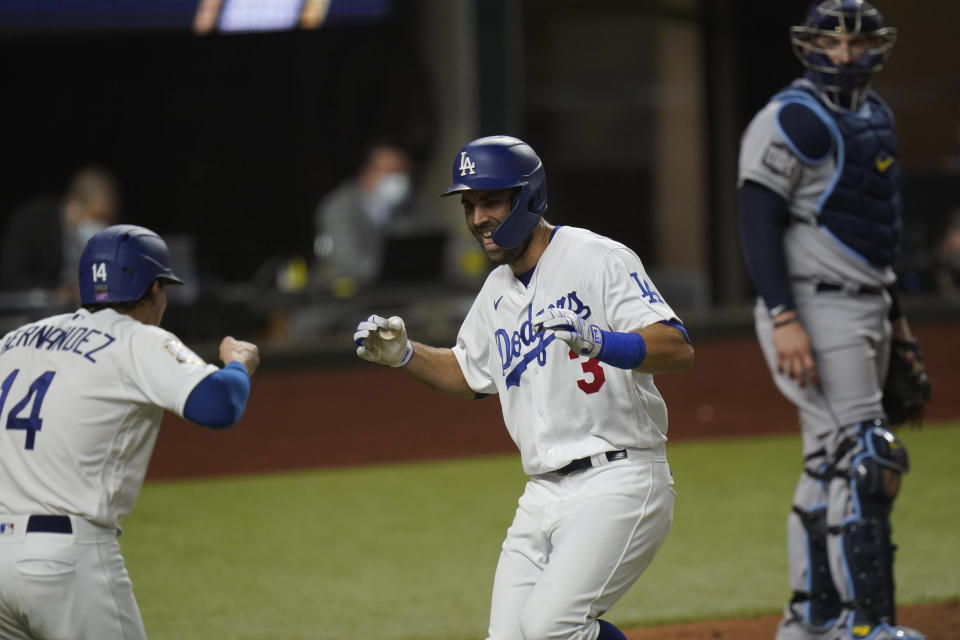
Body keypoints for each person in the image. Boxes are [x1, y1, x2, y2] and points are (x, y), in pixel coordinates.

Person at [353, 135, 694, 640]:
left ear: (528, 197)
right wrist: (405, 355)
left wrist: (602, 342)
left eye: (490, 201)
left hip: (618, 480)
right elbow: (469, 373)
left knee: (549, 629)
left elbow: (676, 346)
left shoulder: (597, 258)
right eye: (469, 206)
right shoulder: (496, 292)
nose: (477, 219)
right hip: (541, 493)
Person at [737, 2, 926, 639]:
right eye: (831, 41)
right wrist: (784, 316)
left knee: (829, 459)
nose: (844, 56)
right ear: (807, 45)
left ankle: (810, 620)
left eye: (858, 42)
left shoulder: (875, 115)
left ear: (880, 47)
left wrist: (897, 323)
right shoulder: (792, 119)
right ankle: (866, 626)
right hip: (815, 307)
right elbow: (756, 219)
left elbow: (878, 232)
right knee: (867, 457)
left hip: (865, 302)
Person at [0, 224, 260, 639]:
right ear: (154, 289)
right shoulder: (135, 340)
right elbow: (219, 404)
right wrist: (237, 364)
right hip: (65, 561)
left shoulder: (15, 340)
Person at [312, 142, 438, 294]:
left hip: (394, 300)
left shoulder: (412, 205)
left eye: (403, 172)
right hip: (342, 299)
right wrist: (402, 267)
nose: (398, 179)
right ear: (366, 174)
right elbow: (351, 265)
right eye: (390, 171)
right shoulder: (339, 208)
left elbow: (432, 245)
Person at [0, 166, 121, 304]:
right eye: (96, 217)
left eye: (106, 219)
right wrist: (57, 292)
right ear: (73, 205)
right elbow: (10, 276)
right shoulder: (35, 221)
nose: (101, 225)